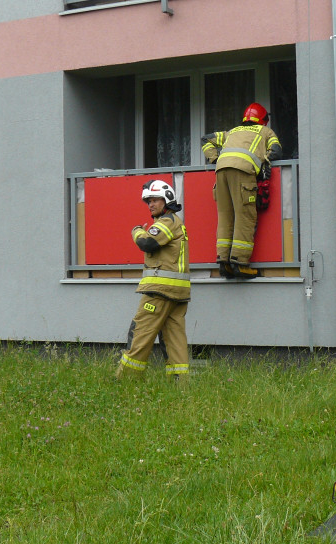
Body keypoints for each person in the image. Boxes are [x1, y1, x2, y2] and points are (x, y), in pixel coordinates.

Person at [118, 180, 191, 381]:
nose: (151, 204)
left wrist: (137, 231)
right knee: (174, 339)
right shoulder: (176, 222)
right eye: (149, 201)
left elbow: (147, 242)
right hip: (177, 293)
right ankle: (180, 384)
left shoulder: (167, 222)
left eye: (156, 199)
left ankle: (126, 379)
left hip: (160, 291)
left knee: (140, 332)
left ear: (167, 200)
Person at [200, 102, 283, 279]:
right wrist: (266, 162)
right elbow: (276, 151)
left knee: (225, 216)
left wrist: (215, 159)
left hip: (221, 172)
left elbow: (206, 139)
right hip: (243, 172)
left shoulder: (232, 132)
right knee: (245, 217)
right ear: (263, 120)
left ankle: (223, 262)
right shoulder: (266, 132)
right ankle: (239, 263)